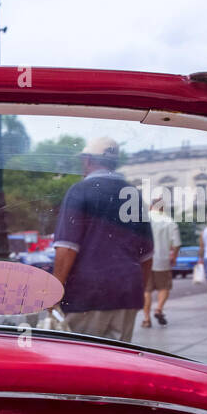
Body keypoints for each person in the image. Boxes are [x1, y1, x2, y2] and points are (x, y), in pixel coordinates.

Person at [51, 137, 153, 342]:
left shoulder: (79, 191)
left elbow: (67, 248)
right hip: (126, 293)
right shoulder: (132, 194)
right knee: (118, 361)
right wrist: (136, 288)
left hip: (88, 294)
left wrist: (53, 292)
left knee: (86, 362)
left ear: (88, 160)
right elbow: (147, 254)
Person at [142, 194, 179, 328]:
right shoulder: (169, 221)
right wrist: (174, 256)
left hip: (145, 259)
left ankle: (146, 319)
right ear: (163, 208)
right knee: (164, 287)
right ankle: (158, 309)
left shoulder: (144, 219)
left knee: (146, 290)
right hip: (163, 260)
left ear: (151, 206)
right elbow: (176, 243)